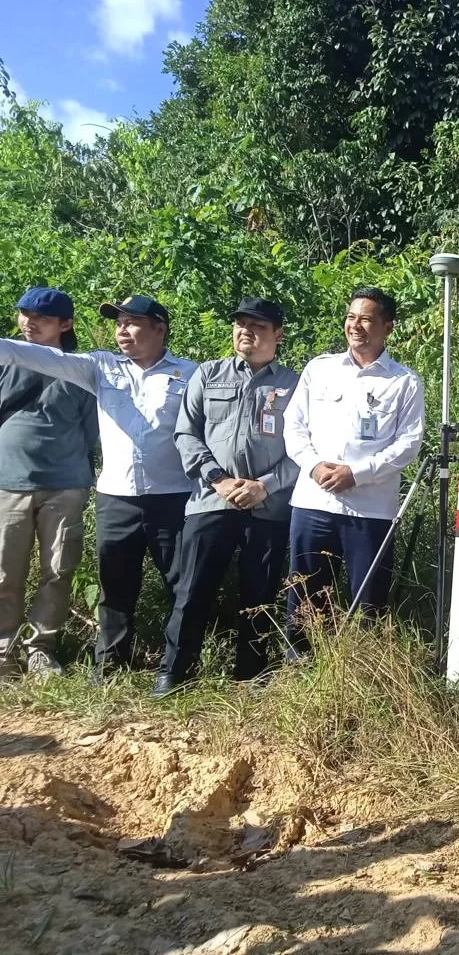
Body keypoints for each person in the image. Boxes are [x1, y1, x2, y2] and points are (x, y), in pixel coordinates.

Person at [0, 293, 197, 677]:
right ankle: (108, 665)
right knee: (114, 588)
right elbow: (37, 355)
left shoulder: (191, 373)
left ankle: (180, 662)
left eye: (132, 322)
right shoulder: (100, 367)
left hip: (172, 495)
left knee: (180, 584)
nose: (122, 330)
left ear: (159, 328)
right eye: (118, 322)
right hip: (116, 496)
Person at [153, 298, 301, 695]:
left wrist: (264, 485)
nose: (245, 331)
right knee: (192, 588)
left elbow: (305, 449)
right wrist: (217, 479)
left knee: (259, 593)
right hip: (211, 501)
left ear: (278, 335)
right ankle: (175, 671)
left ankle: (250, 674)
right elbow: (186, 434)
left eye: (257, 325)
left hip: (267, 504)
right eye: (240, 323)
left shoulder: (295, 385)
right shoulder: (209, 374)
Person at [283, 287, 424, 652]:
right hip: (314, 504)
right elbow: (293, 426)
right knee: (306, 595)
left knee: (369, 599)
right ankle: (300, 669)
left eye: (366, 319)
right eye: (350, 317)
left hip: (371, 508)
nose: (355, 325)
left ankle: (362, 670)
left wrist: (356, 474)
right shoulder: (320, 368)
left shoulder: (404, 381)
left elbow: (408, 444)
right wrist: (315, 467)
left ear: (387, 327)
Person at [0, 288, 97, 679]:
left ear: (66, 324)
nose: (29, 322)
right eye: (24, 314)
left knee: (58, 571)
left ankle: (41, 649)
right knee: (5, 573)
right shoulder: (6, 361)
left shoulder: (80, 369)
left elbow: (93, 429)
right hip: (8, 483)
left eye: (40, 317)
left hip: (66, 486)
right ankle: (3, 652)